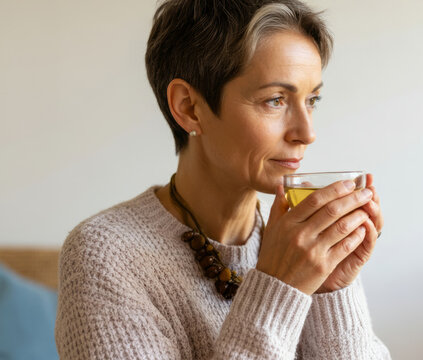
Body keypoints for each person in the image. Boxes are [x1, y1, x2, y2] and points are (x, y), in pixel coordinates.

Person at [54, 0, 390, 359]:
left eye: (312, 100)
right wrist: (278, 287)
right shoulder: (106, 255)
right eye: (275, 100)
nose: (307, 133)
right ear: (189, 107)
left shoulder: (301, 245)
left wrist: (332, 290)